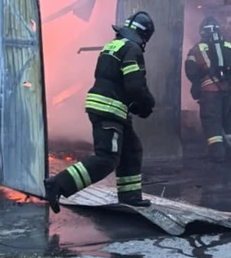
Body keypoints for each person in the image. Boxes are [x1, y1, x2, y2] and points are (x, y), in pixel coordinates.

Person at [43, 11, 156, 213]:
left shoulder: (114, 45)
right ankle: (58, 184)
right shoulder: (132, 50)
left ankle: (130, 196)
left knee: (131, 150)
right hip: (109, 109)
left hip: (111, 108)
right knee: (106, 158)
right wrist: (146, 104)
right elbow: (135, 86)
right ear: (144, 35)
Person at [184, 16, 231, 161]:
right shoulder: (228, 46)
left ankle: (217, 154)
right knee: (228, 119)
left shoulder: (197, 49)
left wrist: (198, 83)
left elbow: (190, 71)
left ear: (202, 32)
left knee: (212, 122)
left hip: (211, 92)